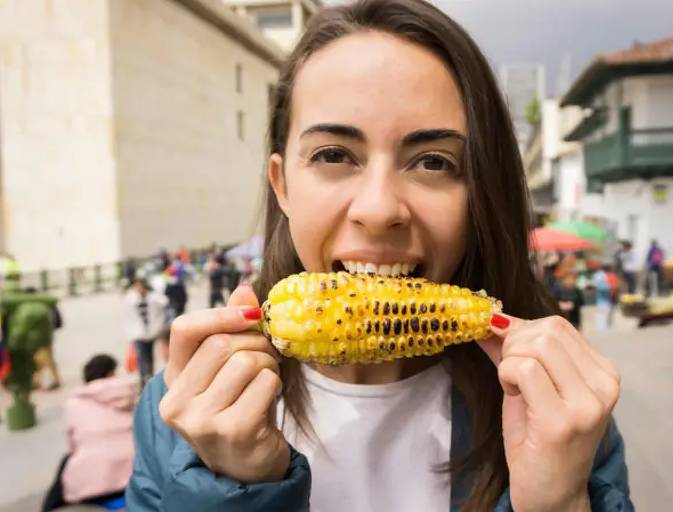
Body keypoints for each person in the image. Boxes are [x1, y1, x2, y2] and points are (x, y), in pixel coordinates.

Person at [128, 2, 631, 511]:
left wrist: (558, 502)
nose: (379, 209)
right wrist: (230, 488)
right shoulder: (177, 413)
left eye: (433, 162)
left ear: (480, 192)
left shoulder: (563, 412)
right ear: (282, 185)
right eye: (333, 155)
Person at [42, 354, 136, 511]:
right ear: (110, 374)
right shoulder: (128, 396)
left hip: (91, 487)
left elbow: (73, 446)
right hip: (133, 476)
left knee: (66, 462)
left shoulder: (73, 403)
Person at [124, 279, 167, 389]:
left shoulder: (153, 298)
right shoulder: (131, 299)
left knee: (150, 356)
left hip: (151, 333)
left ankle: (149, 378)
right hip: (138, 334)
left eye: (141, 286)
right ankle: (144, 380)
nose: (139, 289)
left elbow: (164, 302)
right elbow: (128, 316)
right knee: (142, 357)